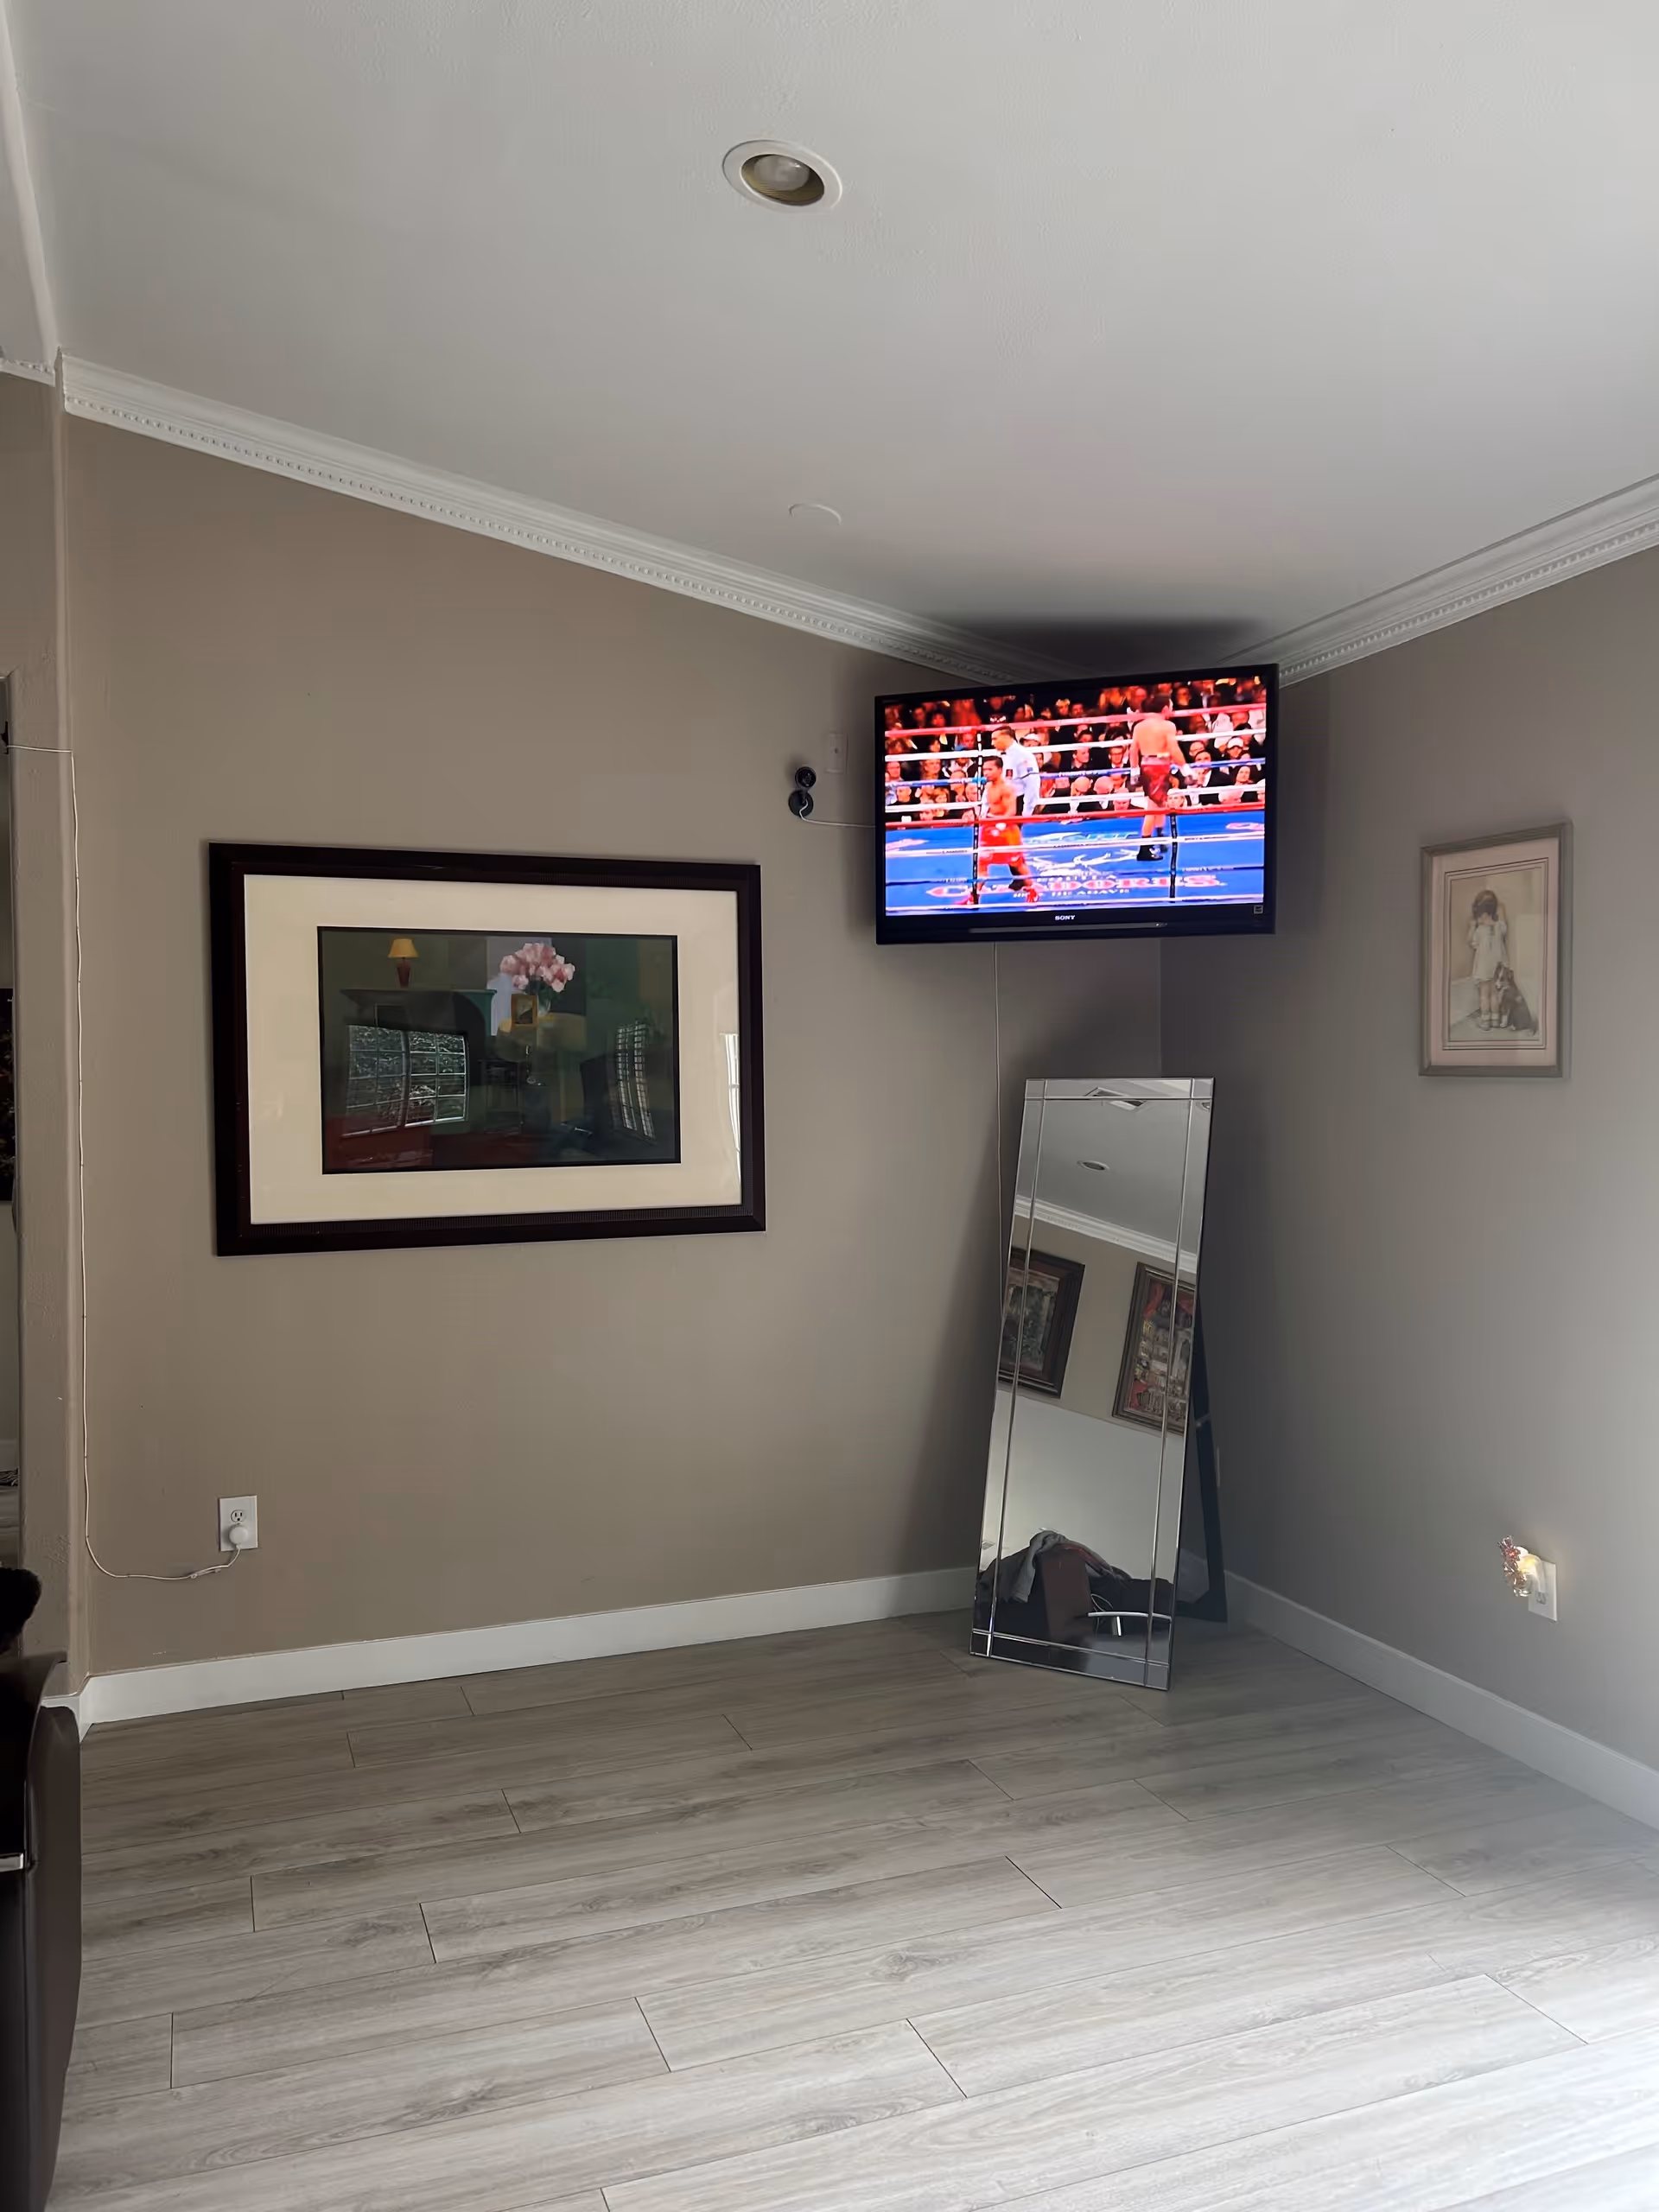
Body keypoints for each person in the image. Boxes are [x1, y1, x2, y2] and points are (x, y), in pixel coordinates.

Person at [970, 753, 1039, 906]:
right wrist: (983, 815)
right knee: (982, 864)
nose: (986, 772)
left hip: (1006, 829)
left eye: (990, 769)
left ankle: (1032, 890)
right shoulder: (988, 786)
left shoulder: (1007, 788)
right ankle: (974, 896)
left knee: (1017, 863)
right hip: (989, 827)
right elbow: (989, 806)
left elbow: (1012, 811)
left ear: (1000, 770)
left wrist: (1000, 823)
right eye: (985, 769)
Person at [1128, 710, 1185, 862]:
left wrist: (1134, 771)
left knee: (1159, 803)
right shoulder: (1167, 725)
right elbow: (1173, 748)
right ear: (1165, 708)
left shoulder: (1140, 726)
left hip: (1148, 763)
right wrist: (1185, 768)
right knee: (1152, 807)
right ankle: (1144, 849)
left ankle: (1159, 838)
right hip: (1157, 766)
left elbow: (1133, 749)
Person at [1468, 888, 1508, 1028]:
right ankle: (1496, 1019)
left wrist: (1472, 927)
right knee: (1495, 994)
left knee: (1484, 995)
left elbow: (1472, 943)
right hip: (1498, 968)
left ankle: (1485, 1021)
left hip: (1484, 968)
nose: (1477, 919)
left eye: (1478, 915)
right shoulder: (1499, 927)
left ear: (1483, 915)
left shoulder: (1479, 931)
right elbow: (1503, 922)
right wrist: (1500, 908)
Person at [991, 723, 1042, 817]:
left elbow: (1032, 784)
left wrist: (1026, 812)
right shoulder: (997, 755)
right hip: (1000, 803)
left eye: (995, 739)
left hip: (1018, 803)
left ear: (1006, 737)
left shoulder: (1023, 755)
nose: (992, 743)